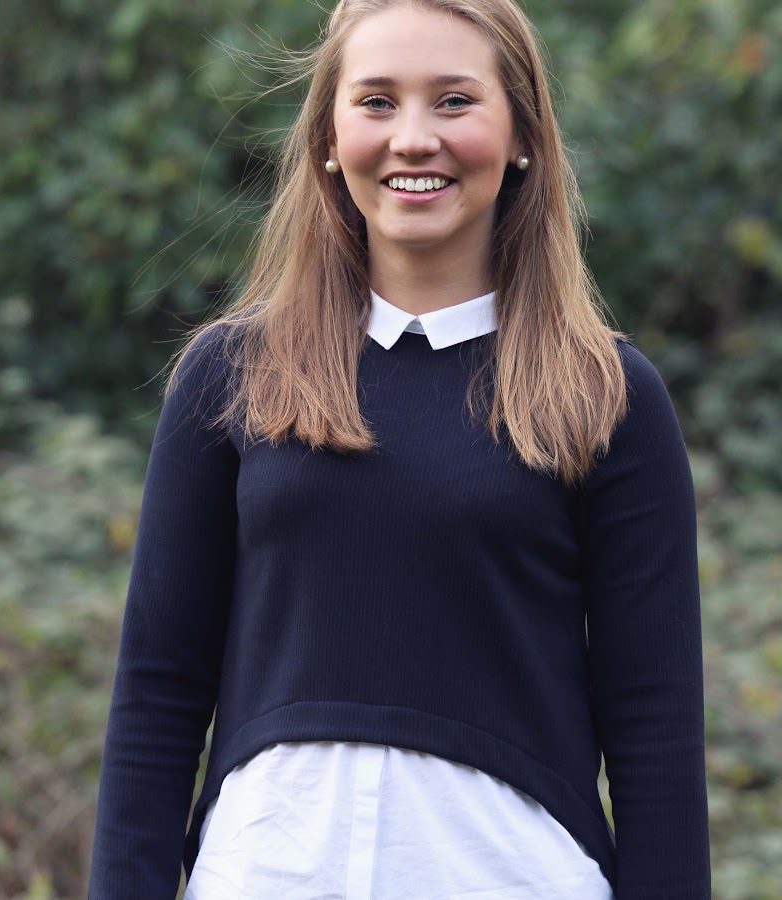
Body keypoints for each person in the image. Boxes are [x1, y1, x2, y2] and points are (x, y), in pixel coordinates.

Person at [89, 0, 711, 896]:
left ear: (521, 134)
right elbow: (156, 693)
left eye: (454, 100)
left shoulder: (607, 395)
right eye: (376, 101)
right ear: (328, 138)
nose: (414, 138)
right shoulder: (232, 374)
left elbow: (656, 732)